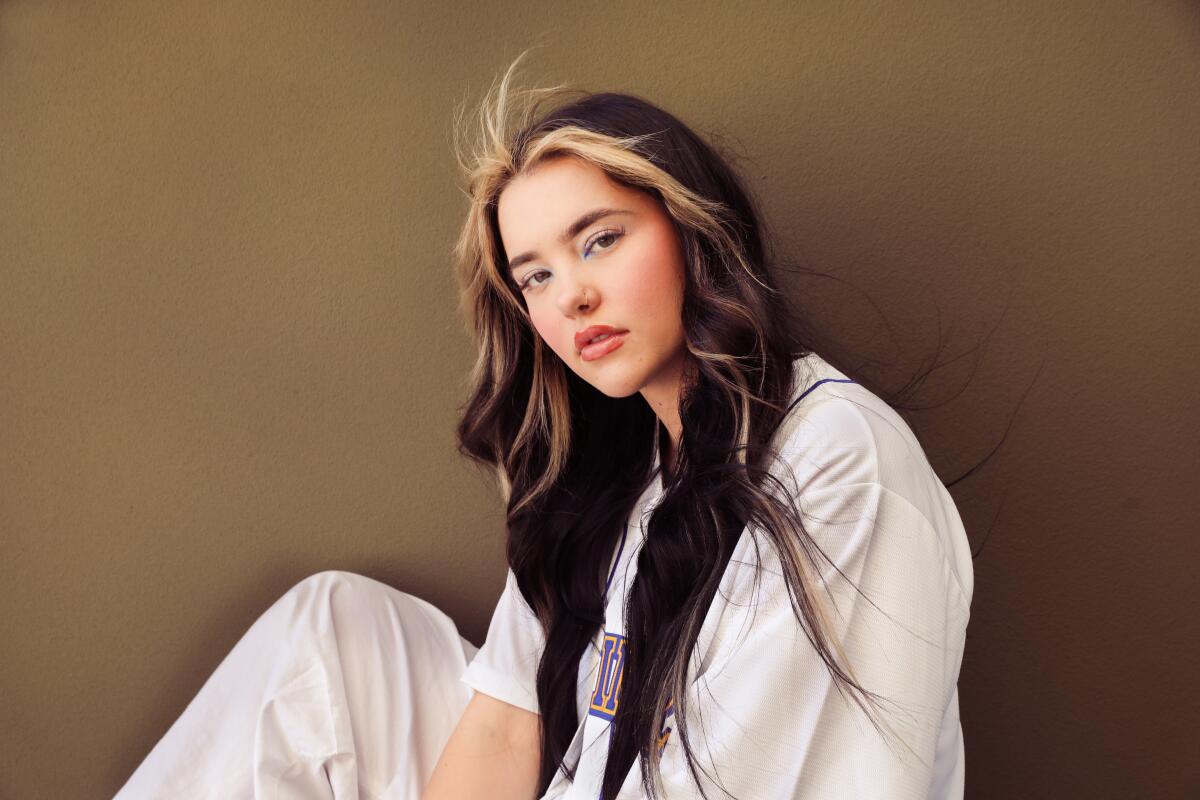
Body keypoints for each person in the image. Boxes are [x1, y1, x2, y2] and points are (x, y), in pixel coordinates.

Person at [114, 51, 974, 800]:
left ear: (690, 232)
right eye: (535, 277)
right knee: (332, 628)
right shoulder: (626, 478)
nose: (571, 296)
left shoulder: (834, 459)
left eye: (600, 241)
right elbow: (504, 728)